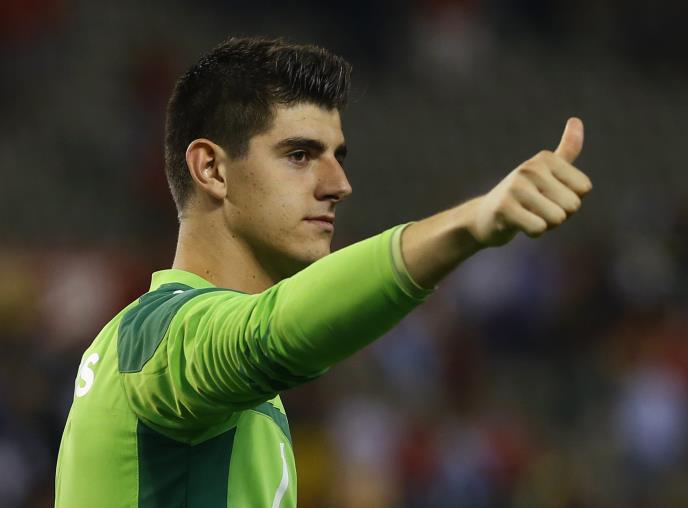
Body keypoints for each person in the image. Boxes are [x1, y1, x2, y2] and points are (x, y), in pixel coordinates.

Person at [54, 36, 592, 507]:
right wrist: (466, 225)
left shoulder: (207, 382)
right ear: (211, 169)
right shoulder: (156, 337)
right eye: (299, 154)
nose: (338, 184)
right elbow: (268, 334)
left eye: (338, 156)